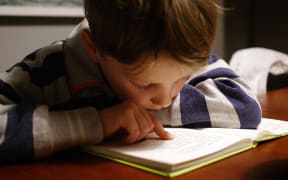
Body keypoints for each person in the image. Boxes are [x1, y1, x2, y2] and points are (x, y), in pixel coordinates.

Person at [0, 0, 261, 164]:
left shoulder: (180, 50)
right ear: (95, 51)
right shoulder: (46, 70)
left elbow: (246, 106)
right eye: (145, 84)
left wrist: (145, 110)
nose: (165, 99)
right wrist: (98, 121)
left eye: (181, 80)